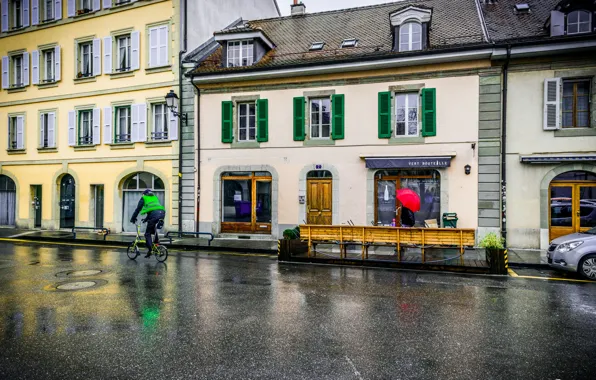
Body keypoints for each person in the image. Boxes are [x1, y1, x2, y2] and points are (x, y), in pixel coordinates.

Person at [130, 189, 166, 257]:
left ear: (144, 194)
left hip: (154, 215)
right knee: (153, 229)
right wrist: (146, 219)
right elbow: (152, 210)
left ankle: (150, 250)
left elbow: (138, 209)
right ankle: (156, 244)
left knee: (147, 234)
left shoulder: (144, 198)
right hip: (162, 213)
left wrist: (133, 218)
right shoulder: (154, 197)